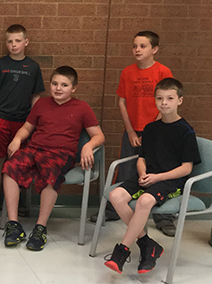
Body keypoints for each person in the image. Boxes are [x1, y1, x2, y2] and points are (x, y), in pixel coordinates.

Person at [2, 66, 105, 251]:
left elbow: (98, 135)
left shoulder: (82, 107)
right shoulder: (41, 104)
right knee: (10, 167)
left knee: (50, 175)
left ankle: (40, 228)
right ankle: (13, 224)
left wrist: (88, 146)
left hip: (60, 154)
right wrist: (17, 139)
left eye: (64, 85)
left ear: (73, 88)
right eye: (55, 83)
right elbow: (27, 128)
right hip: (34, 149)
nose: (58, 88)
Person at [103, 78, 200, 274]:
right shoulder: (150, 128)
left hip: (170, 182)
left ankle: (122, 250)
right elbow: (142, 158)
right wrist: (143, 173)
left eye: (170, 98)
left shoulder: (186, 132)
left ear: (179, 100)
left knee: (144, 201)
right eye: (160, 98)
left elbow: (186, 168)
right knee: (115, 196)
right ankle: (148, 245)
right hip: (148, 177)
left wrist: (157, 178)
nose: (164, 103)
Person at [92, 31, 177, 237]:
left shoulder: (163, 71)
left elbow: (166, 101)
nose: (137, 50)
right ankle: (114, 209)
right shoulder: (128, 72)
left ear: (154, 49)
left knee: (157, 169)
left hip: (158, 131)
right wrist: (130, 130)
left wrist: (152, 131)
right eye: (134, 46)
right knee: (127, 168)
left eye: (142, 46)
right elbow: (122, 101)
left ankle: (164, 216)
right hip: (133, 130)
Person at [0, 24, 45, 217]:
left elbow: (36, 96)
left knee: (21, 160)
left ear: (26, 42)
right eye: (10, 41)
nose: (13, 45)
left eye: (18, 41)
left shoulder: (33, 67)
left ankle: (18, 199)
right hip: (0, 119)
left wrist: (32, 123)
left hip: (23, 123)